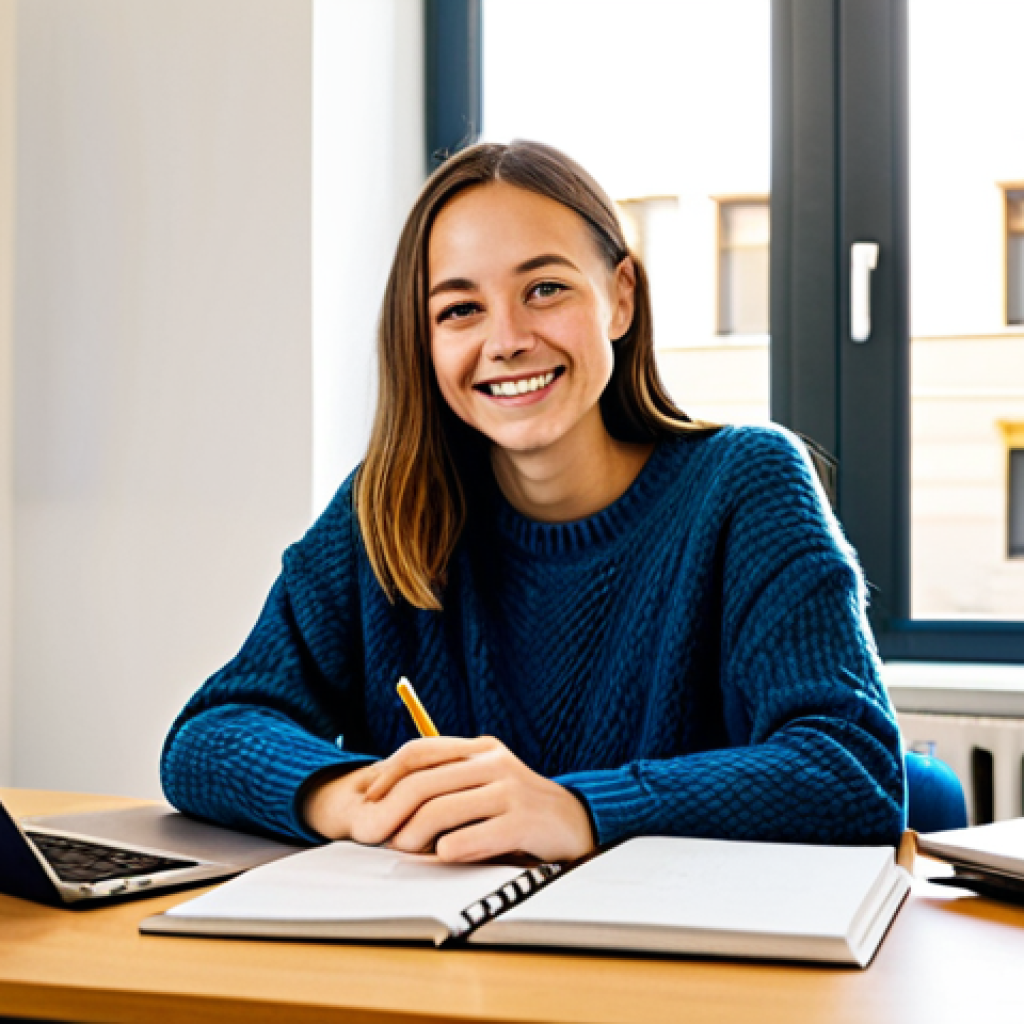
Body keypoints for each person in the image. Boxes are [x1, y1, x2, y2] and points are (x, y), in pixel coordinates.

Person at [161, 141, 904, 863]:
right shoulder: (385, 508)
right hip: (444, 971)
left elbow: (854, 773)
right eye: (459, 310)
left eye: (545, 289)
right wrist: (349, 796)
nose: (508, 340)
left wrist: (576, 810)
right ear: (421, 340)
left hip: (671, 974)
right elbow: (208, 736)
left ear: (620, 298)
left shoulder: (747, 482)